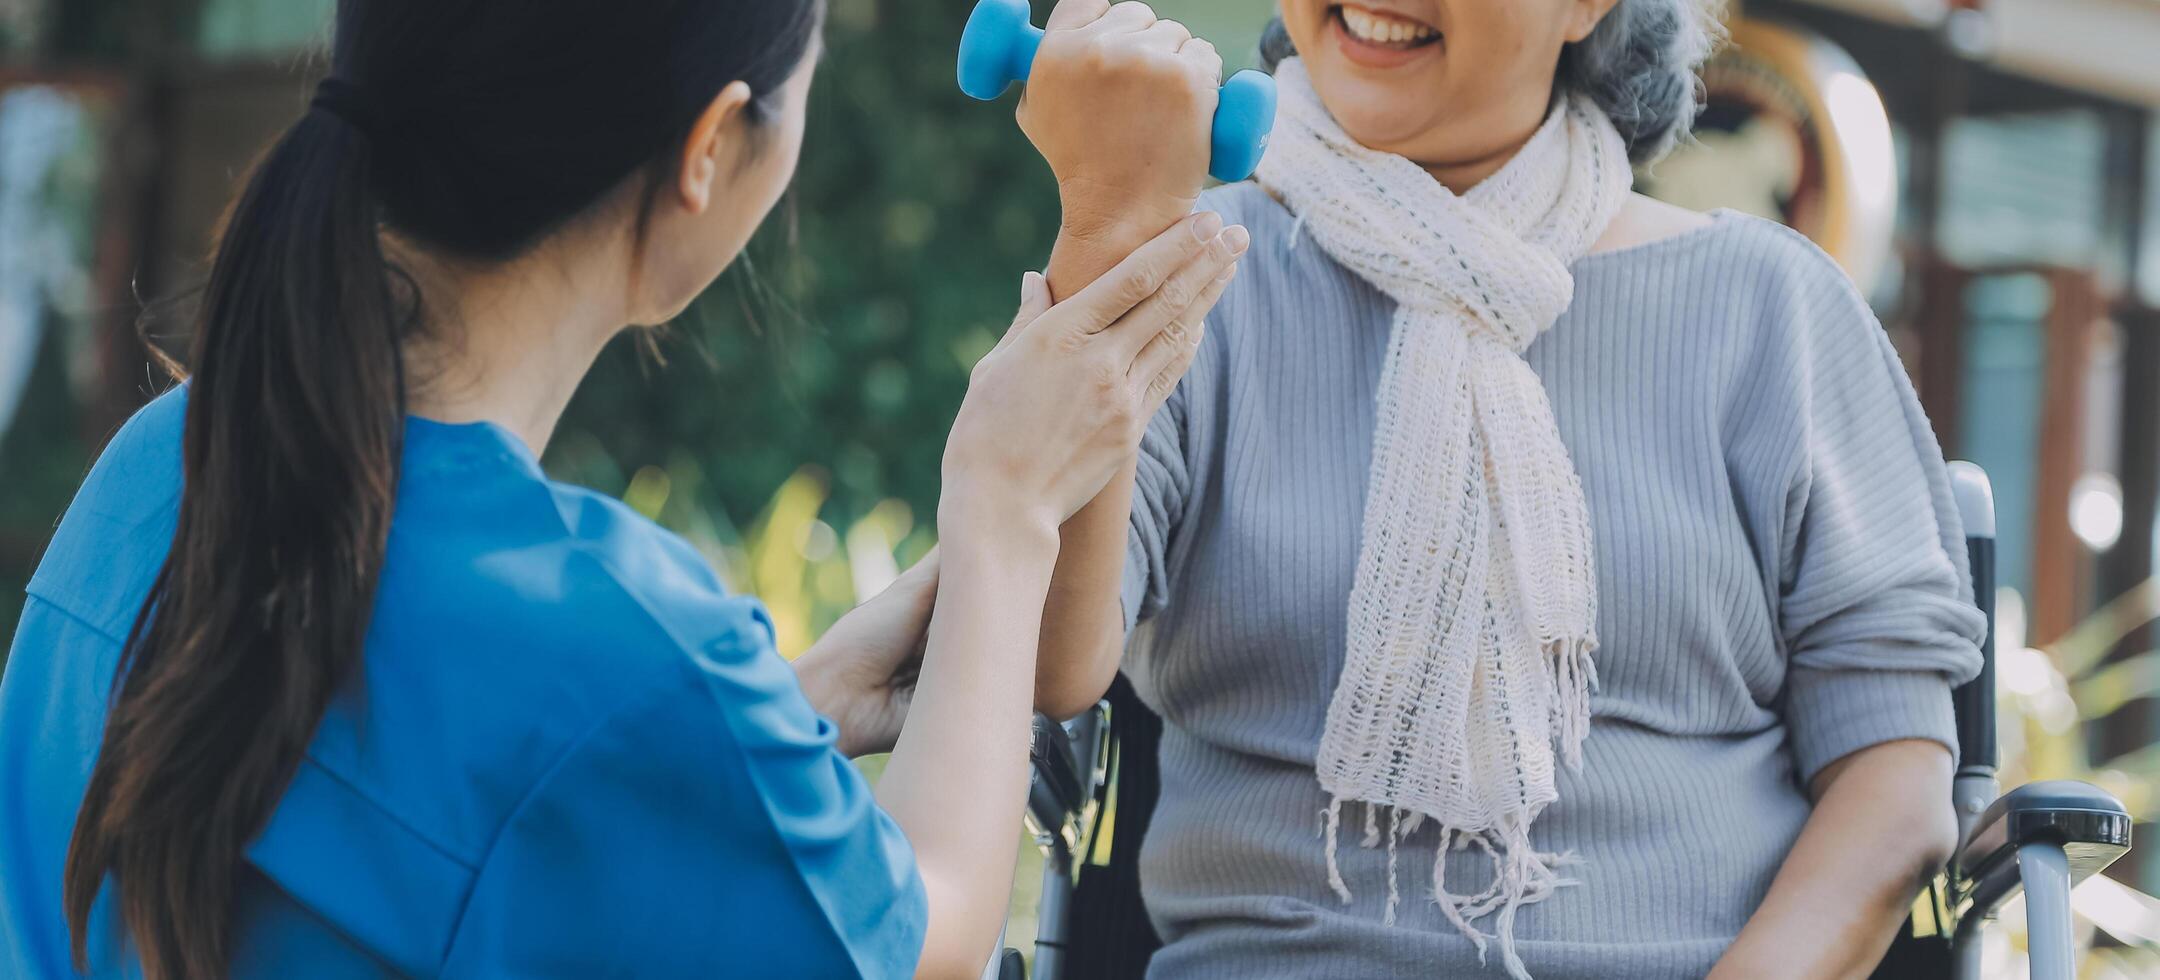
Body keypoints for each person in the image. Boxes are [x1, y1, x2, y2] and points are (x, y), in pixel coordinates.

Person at [0, 1, 1248, 977]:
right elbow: (926, 942)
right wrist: (1006, 502)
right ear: (710, 149)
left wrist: (781, 718)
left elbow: (447, 818)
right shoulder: (609, 652)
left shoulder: (160, 466)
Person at [1032, 1, 1987, 978]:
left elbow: (1895, 779)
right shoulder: (1185, 271)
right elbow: (1048, 654)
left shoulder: (1771, 312)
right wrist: (1107, 231)